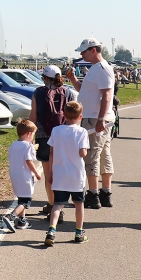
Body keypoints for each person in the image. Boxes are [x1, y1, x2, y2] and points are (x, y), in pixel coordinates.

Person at [65, 38, 116, 209]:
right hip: (96, 116)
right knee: (103, 155)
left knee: (92, 155)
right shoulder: (95, 69)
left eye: (84, 51)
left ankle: (93, 194)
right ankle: (105, 193)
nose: (81, 54)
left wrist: (100, 118)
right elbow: (85, 90)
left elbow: (107, 94)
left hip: (95, 118)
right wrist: (72, 78)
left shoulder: (101, 68)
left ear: (93, 50)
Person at [29, 65, 76, 218]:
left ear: (44, 78)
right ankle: (59, 205)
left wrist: (29, 137)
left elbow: (34, 117)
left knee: (49, 173)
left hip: (44, 136)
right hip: (64, 137)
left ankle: (52, 206)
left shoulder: (38, 92)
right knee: (61, 173)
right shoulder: (69, 92)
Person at [44, 101, 89, 245]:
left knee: (57, 205)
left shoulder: (56, 130)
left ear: (64, 115)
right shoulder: (82, 132)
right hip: (76, 175)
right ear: (80, 116)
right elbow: (82, 153)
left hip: (60, 174)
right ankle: (79, 232)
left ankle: (51, 231)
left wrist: (50, 172)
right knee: (78, 204)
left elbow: (51, 153)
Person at [6, 119, 41, 229]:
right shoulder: (28, 146)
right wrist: (36, 173)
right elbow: (28, 161)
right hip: (24, 175)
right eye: (33, 134)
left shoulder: (13, 145)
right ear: (29, 134)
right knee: (26, 202)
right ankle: (10, 216)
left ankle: (22, 221)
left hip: (14, 174)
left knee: (21, 198)